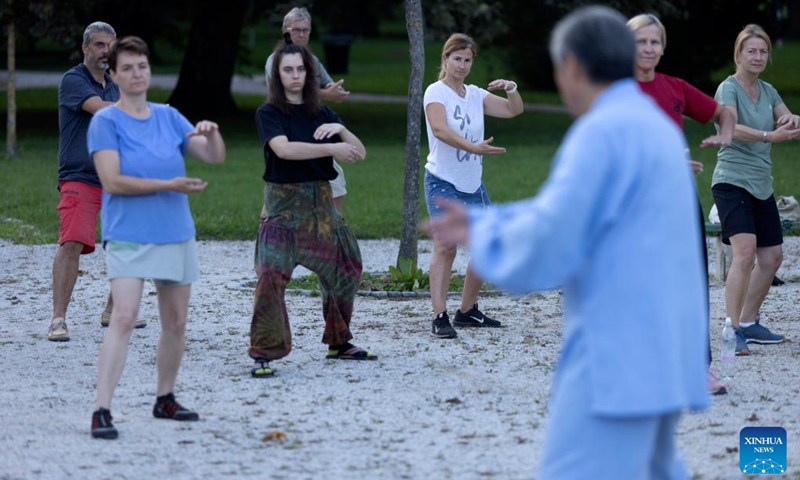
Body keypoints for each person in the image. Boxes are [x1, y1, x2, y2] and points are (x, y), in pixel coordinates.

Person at [426, 7, 708, 478]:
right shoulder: (654, 126)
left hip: (616, 354)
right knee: (656, 467)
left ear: (574, 66)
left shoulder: (600, 132)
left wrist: (485, 233)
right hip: (669, 347)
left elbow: (554, 238)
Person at [87, 36, 226, 439]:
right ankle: (102, 409)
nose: (136, 74)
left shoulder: (168, 116)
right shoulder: (106, 122)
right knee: (125, 316)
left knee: (176, 321)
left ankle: (165, 397)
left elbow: (213, 156)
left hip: (175, 232)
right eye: (127, 68)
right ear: (113, 75)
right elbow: (112, 181)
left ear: (150, 70)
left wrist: (211, 132)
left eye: (142, 66)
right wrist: (169, 183)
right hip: (128, 233)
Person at [249, 39, 374, 379]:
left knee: (347, 267)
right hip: (283, 209)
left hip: (321, 208)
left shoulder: (322, 113)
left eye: (301, 69)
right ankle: (264, 351)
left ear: (309, 73)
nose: (295, 75)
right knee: (270, 277)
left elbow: (359, 152)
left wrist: (342, 130)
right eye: (287, 69)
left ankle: (339, 341)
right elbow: (283, 150)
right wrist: (329, 150)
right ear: (277, 75)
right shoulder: (269, 113)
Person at [627, 13, 738, 395]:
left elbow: (724, 111)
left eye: (655, 42)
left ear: (663, 48)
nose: (648, 48)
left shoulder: (673, 87)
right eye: (641, 41)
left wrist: (724, 134)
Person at [48, 21, 145, 342]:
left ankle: (113, 310)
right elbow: (104, 111)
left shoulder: (117, 84)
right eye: (100, 45)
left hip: (115, 176)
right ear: (85, 48)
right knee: (72, 241)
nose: (107, 52)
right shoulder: (73, 80)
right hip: (79, 175)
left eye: (111, 46)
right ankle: (58, 318)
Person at [423, 33, 523, 339]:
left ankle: (466, 311)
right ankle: (439, 315)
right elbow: (439, 129)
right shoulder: (435, 92)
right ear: (445, 59)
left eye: (467, 60)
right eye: (457, 59)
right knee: (446, 247)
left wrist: (512, 89)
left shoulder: (476, 95)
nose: (462, 65)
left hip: (472, 184)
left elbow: (512, 110)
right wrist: (472, 147)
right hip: (442, 180)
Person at [712, 24, 800, 356]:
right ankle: (731, 329)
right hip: (731, 180)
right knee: (745, 251)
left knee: (772, 257)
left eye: (763, 51)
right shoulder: (728, 88)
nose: (758, 56)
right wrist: (768, 137)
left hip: (762, 184)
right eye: (752, 50)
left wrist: (793, 122)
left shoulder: (768, 90)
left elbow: (786, 119)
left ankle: (748, 323)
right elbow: (728, 127)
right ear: (739, 54)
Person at [265, 7, 350, 212]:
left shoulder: (312, 60)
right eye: (297, 30)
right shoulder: (275, 59)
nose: (301, 34)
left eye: (306, 30)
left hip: (312, 125)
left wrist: (334, 90)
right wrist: (325, 94)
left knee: (336, 185)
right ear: (286, 30)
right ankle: (269, 232)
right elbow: (288, 90)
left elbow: (326, 85)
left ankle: (333, 227)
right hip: (286, 127)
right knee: (280, 186)